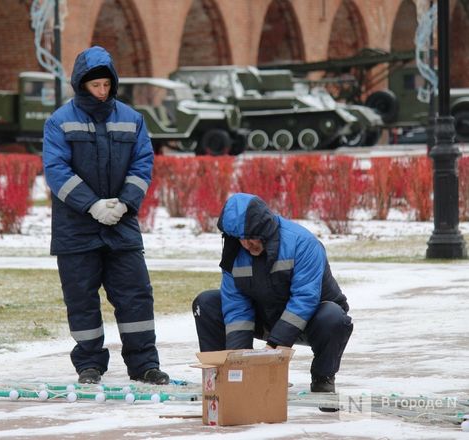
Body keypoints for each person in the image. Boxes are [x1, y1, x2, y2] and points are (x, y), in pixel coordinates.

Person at [42, 46, 169, 385]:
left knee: (136, 296)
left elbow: (143, 164)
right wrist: (93, 205)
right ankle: (89, 364)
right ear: (81, 85)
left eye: (105, 85)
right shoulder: (59, 121)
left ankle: (144, 364)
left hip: (121, 224)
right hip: (76, 227)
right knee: (81, 300)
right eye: (94, 85)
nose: (101, 92)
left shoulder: (132, 119)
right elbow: (56, 171)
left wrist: (125, 203)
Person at [192, 193, 353, 400]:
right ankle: (221, 377)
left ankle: (323, 377)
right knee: (206, 303)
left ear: (264, 229)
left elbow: (305, 298)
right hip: (266, 316)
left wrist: (274, 348)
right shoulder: (235, 253)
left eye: (251, 237)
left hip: (310, 320)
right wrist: (240, 360)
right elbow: (236, 306)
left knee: (333, 316)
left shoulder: (302, 243)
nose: (247, 245)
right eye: (241, 239)